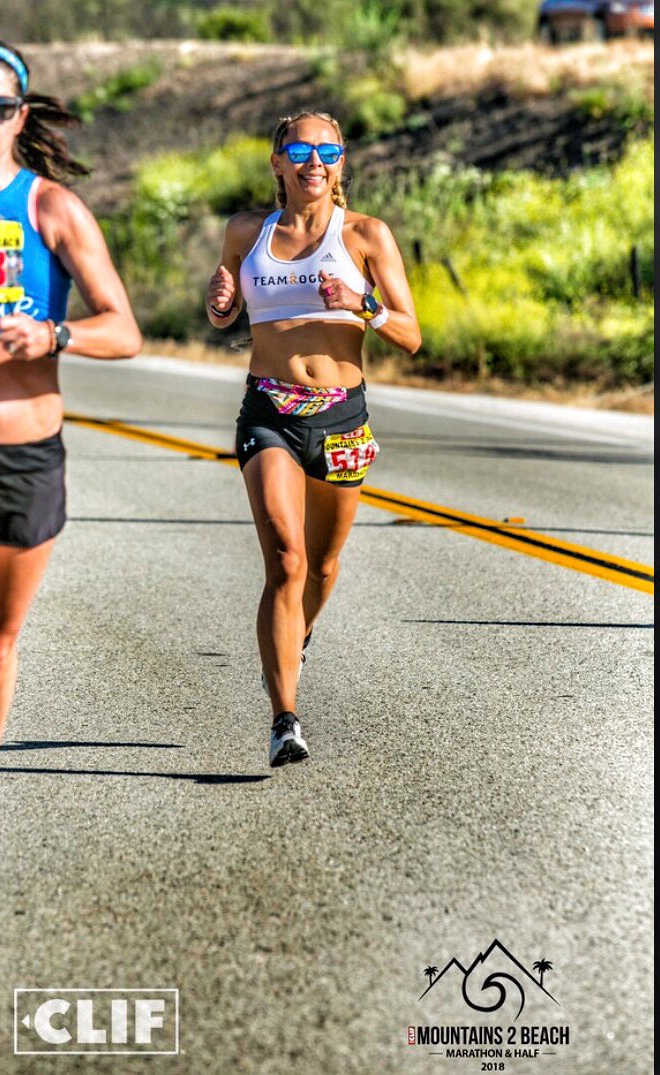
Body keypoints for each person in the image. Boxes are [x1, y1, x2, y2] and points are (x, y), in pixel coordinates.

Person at [0, 34, 142, 932]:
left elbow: (124, 327)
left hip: (29, 459)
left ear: (19, 117)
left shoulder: (52, 209)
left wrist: (58, 337)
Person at [206, 110, 421, 768]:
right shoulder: (247, 232)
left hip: (341, 416)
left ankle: (294, 640)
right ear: (277, 162)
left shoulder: (365, 235)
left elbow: (411, 334)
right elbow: (225, 311)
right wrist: (219, 305)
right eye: (299, 148)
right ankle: (285, 719)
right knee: (287, 559)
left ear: (342, 162)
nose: (314, 160)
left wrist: (362, 303)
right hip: (267, 407)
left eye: (328, 149)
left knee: (323, 567)